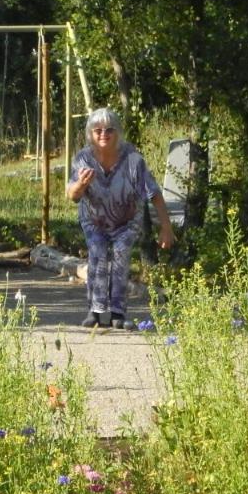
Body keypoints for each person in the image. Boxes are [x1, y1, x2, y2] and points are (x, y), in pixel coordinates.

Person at [66, 108, 175, 329]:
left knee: (121, 255)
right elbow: (72, 195)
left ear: (118, 133)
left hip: (127, 220)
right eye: (97, 130)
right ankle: (96, 311)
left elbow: (154, 194)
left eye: (109, 130)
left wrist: (166, 227)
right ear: (90, 133)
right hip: (94, 220)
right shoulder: (83, 158)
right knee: (97, 254)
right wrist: (81, 185)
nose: (103, 134)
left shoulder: (133, 159)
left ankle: (118, 312)